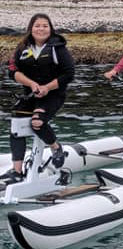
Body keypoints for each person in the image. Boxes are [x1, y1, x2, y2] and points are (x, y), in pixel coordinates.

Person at [1, 13, 75, 183]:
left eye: (44, 26)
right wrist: (32, 84)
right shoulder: (22, 48)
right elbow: (12, 72)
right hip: (30, 94)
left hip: (53, 95)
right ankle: (17, 171)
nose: (41, 29)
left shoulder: (58, 48)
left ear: (50, 29)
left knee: (37, 122)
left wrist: (47, 88)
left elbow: (69, 74)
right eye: (37, 26)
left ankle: (56, 148)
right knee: (16, 126)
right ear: (31, 28)